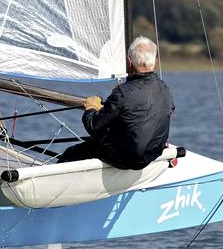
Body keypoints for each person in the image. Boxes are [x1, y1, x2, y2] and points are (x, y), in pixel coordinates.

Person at [57, 36, 174, 170]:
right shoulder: (166, 90)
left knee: (71, 153)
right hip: (152, 155)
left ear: (129, 62)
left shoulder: (122, 93)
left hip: (127, 159)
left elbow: (94, 126)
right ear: (156, 62)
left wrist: (91, 107)